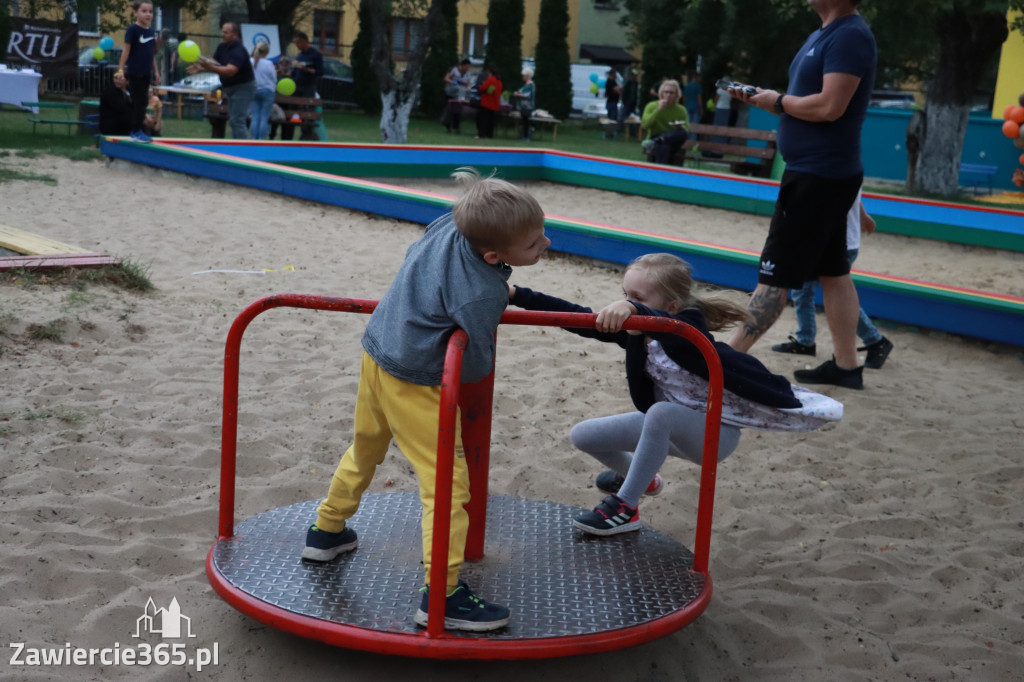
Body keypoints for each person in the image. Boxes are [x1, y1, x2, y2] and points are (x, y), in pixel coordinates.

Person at [301, 167, 551, 632]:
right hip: (414, 376)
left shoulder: (452, 223)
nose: (546, 243)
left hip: (377, 347)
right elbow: (476, 362)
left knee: (366, 447)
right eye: (535, 243)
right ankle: (443, 594)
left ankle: (326, 531)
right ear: (494, 255)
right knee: (447, 482)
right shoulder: (483, 291)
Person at [508, 253, 842, 535]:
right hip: (667, 428)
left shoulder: (689, 333)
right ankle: (644, 480)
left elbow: (671, 327)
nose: (627, 303)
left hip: (714, 434)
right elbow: (580, 318)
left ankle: (625, 506)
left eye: (638, 297)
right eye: (625, 293)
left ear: (672, 306)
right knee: (584, 435)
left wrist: (636, 310)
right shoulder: (637, 335)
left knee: (660, 413)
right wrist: (518, 294)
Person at [725, 0, 876, 390]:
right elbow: (808, 104)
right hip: (818, 172)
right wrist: (769, 99)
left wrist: (776, 101)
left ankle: (724, 360)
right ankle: (846, 366)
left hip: (818, 176)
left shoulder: (851, 35)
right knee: (834, 272)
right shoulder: (824, 34)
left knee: (775, 274)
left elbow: (829, 106)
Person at [772, 190, 894, 368]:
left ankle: (874, 340)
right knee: (806, 291)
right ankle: (806, 341)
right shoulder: (845, 163)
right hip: (833, 240)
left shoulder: (830, 164)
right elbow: (852, 194)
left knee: (837, 297)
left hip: (831, 242)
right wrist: (863, 215)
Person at [188, 22, 256, 140]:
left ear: (235, 34)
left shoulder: (239, 50)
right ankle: (236, 145)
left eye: (226, 32)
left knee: (237, 120)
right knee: (234, 120)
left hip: (244, 88)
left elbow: (231, 71)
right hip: (231, 88)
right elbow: (214, 62)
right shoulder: (222, 46)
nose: (222, 34)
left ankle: (243, 150)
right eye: (222, 31)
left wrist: (211, 67)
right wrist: (201, 68)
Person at [116, 0, 160, 143]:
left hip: (146, 72)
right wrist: (121, 69)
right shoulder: (133, 30)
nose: (148, 14)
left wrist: (156, 72)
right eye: (144, 11)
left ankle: (137, 130)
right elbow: (126, 50)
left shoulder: (151, 32)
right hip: (135, 72)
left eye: (150, 11)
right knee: (139, 102)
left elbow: (151, 54)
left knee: (143, 102)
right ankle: (135, 131)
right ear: (135, 13)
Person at [640, 79, 689, 165]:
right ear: (661, 93)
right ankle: (661, 173)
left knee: (682, 133)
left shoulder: (681, 110)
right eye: (666, 92)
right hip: (655, 136)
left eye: (671, 93)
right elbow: (645, 125)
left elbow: (686, 129)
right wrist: (657, 111)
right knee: (664, 146)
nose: (668, 95)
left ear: (677, 95)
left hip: (674, 139)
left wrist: (680, 126)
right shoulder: (651, 106)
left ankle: (659, 140)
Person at [249, 41, 277, 141]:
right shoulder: (269, 63)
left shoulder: (250, 62)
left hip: (253, 90)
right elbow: (273, 78)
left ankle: (253, 138)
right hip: (267, 91)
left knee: (255, 117)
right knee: (264, 117)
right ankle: (261, 139)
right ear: (266, 52)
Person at [442, 59, 472, 133]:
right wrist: (452, 82)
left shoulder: (467, 73)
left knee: (458, 111)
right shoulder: (454, 70)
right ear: (462, 65)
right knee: (449, 110)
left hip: (460, 94)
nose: (467, 69)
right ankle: (448, 126)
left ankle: (456, 127)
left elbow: (468, 83)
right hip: (450, 93)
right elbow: (446, 78)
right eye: (466, 67)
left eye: (468, 67)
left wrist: (468, 88)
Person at [99, 71, 133, 136]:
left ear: (127, 81)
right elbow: (121, 108)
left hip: (125, 123)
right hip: (112, 124)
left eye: (121, 79)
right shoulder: (109, 92)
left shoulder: (130, 91)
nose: (117, 81)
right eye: (116, 78)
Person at [291, 31, 324, 98]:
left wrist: (305, 69)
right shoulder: (300, 55)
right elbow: (294, 72)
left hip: (308, 87)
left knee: (308, 106)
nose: (296, 45)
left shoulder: (316, 54)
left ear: (304, 41)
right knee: (293, 104)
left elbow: (320, 72)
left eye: (298, 43)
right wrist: (283, 73)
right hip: (297, 85)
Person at [475, 66, 502, 139]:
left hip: (487, 103)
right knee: (491, 121)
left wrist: (480, 86)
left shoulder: (490, 80)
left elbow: (482, 88)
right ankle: (489, 134)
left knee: (483, 120)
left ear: (490, 73)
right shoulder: (499, 82)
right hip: (494, 104)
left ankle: (481, 134)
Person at [512, 67, 536, 141]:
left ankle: (526, 137)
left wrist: (517, 94)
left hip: (527, 107)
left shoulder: (530, 85)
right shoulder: (526, 85)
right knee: (524, 121)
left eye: (523, 76)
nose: (522, 77)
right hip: (523, 107)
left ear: (527, 76)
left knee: (526, 122)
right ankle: (524, 136)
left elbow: (527, 95)